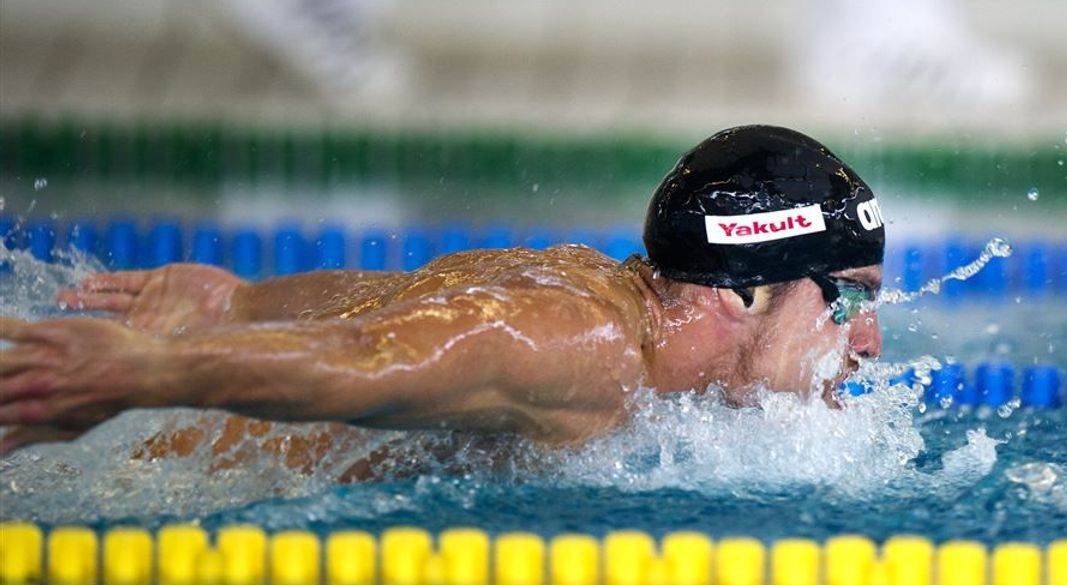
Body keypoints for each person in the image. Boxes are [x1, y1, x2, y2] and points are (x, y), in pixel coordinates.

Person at [0, 125, 885, 457]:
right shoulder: (588, 347)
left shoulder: (592, 286)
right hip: (124, 469)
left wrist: (237, 301)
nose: (869, 339)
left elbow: (394, 303)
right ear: (748, 292)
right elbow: (372, 355)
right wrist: (145, 373)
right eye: (846, 299)